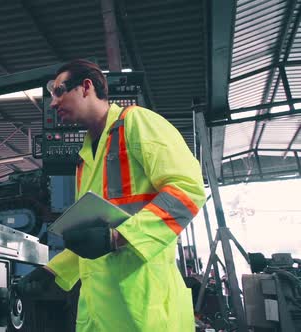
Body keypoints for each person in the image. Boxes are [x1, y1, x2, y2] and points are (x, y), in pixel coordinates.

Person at [16, 59, 206, 331]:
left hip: (144, 308)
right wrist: (53, 272)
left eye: (59, 91)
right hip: (98, 312)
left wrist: (118, 237)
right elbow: (94, 239)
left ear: (86, 87)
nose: (53, 103)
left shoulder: (137, 122)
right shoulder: (85, 157)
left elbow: (187, 189)